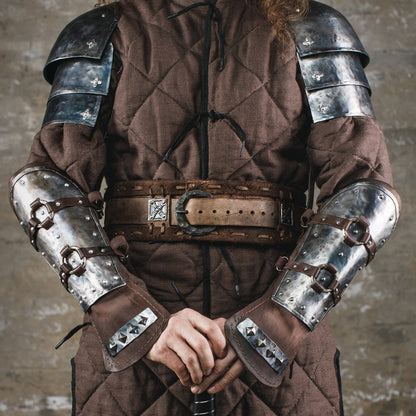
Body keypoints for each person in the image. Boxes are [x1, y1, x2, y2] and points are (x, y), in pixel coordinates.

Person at [10, 0, 401, 414]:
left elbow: (365, 191)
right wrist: (136, 319)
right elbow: (46, 186)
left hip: (280, 359)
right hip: (137, 360)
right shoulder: (104, 33)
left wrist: (276, 323)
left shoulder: (313, 31)